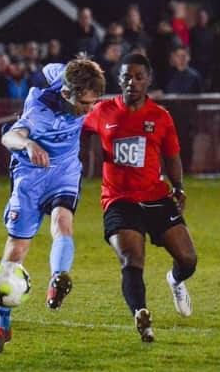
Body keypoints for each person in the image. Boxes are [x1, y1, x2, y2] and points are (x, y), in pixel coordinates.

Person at [0, 58, 106, 355]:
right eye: (85, 104)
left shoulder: (63, 79)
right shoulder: (40, 110)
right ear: (66, 95)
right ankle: (3, 325)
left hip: (64, 172)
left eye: (94, 103)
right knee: (17, 250)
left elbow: (54, 67)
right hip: (30, 179)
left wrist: (82, 66)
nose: (89, 111)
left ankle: (57, 278)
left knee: (63, 223)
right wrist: (28, 145)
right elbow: (9, 136)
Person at [83, 53, 197, 342]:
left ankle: (175, 280)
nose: (131, 82)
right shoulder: (102, 111)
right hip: (119, 200)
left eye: (137, 76)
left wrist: (179, 186)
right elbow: (73, 125)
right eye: (125, 76)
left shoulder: (160, 117)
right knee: (132, 258)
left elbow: (172, 156)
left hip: (156, 197)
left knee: (188, 259)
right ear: (118, 79)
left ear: (148, 81)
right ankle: (141, 314)